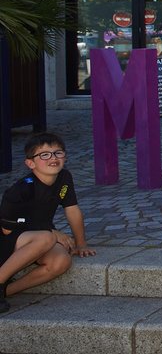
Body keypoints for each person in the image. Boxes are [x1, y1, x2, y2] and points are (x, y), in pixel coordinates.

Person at [0, 133, 95, 312]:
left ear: (64, 157)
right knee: (46, 238)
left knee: (61, 261)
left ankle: (6, 291)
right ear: (30, 163)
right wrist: (51, 232)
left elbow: (72, 210)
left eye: (57, 153)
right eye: (44, 154)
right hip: (7, 240)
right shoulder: (21, 190)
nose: (52, 158)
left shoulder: (64, 178)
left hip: (36, 237)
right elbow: (6, 229)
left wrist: (81, 244)